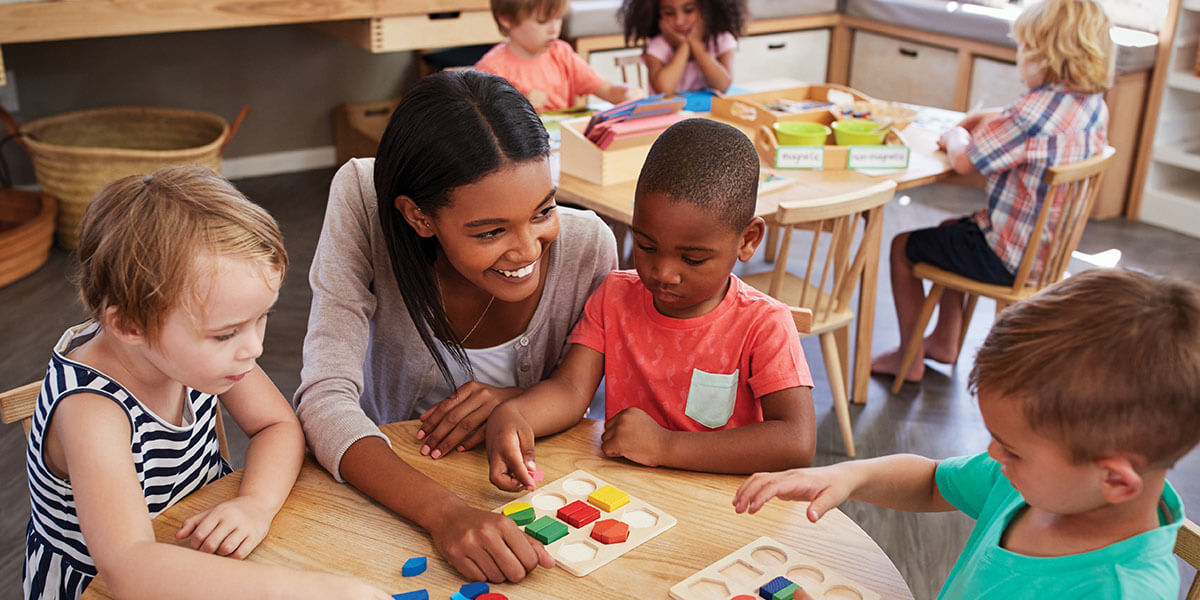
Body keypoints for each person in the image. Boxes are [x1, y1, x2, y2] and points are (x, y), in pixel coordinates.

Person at [295, 70, 618, 582]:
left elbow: (588, 399)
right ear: (419, 218)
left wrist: (516, 398)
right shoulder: (364, 197)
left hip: (532, 498)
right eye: (490, 231)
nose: (528, 250)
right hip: (393, 487)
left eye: (543, 210)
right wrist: (445, 514)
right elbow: (323, 397)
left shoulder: (588, 247)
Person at [23, 166, 389, 600]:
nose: (252, 348)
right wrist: (314, 593)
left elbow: (278, 426)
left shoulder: (195, 353)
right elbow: (127, 568)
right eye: (227, 333)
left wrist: (256, 504)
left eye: (261, 319)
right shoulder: (91, 411)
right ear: (131, 326)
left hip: (198, 549)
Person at [736, 268, 1200, 598]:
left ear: (1116, 480)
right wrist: (848, 477)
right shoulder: (1039, 484)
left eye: (1014, 449)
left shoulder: (1121, 591)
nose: (994, 454)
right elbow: (933, 480)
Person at [485, 118, 816, 493]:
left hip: (723, 504)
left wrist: (666, 446)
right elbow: (570, 392)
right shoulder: (614, 297)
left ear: (748, 240)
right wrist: (515, 414)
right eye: (646, 246)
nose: (663, 273)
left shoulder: (764, 324)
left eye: (692, 259)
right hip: (628, 496)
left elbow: (796, 442)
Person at [870, 0, 1114, 383]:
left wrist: (956, 136)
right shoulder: (1092, 105)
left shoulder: (1030, 113)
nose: (1019, 59)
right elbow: (1026, 125)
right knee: (953, 228)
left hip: (1007, 258)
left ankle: (909, 357)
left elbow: (967, 161)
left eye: (1024, 51)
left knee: (904, 247)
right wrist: (995, 118)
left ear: (1046, 57)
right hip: (1046, 253)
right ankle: (944, 341)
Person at [474, 0, 642, 111]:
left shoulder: (561, 53)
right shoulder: (491, 68)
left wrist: (627, 93)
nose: (554, 29)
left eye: (558, 19)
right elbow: (484, 125)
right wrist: (519, 106)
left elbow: (607, 90)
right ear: (507, 19)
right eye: (542, 21)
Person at [618, 0, 747, 95]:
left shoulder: (722, 40)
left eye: (689, 10)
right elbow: (665, 89)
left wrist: (696, 44)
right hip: (671, 125)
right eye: (669, 13)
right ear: (658, 15)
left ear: (708, 9)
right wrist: (683, 47)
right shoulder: (657, 46)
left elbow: (722, 85)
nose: (679, 21)